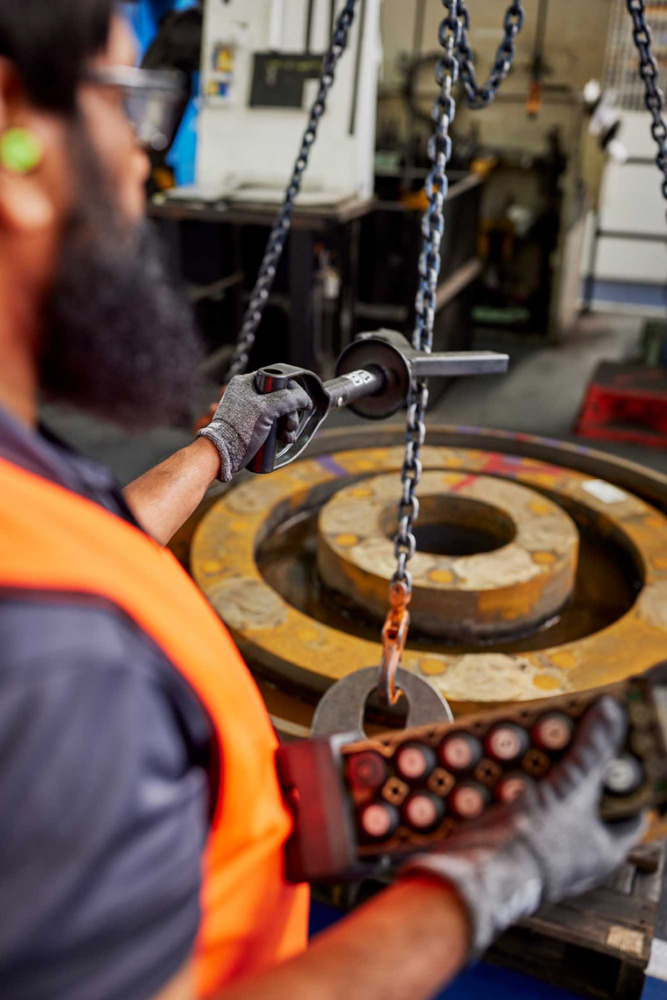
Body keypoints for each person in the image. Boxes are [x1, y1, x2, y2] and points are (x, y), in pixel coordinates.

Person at [0, 4, 645, 1000]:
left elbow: (81, 543)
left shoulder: (23, 472)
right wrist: (484, 881)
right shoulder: (59, 681)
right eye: (130, 108)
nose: (142, 164)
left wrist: (218, 448)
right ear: (16, 135)